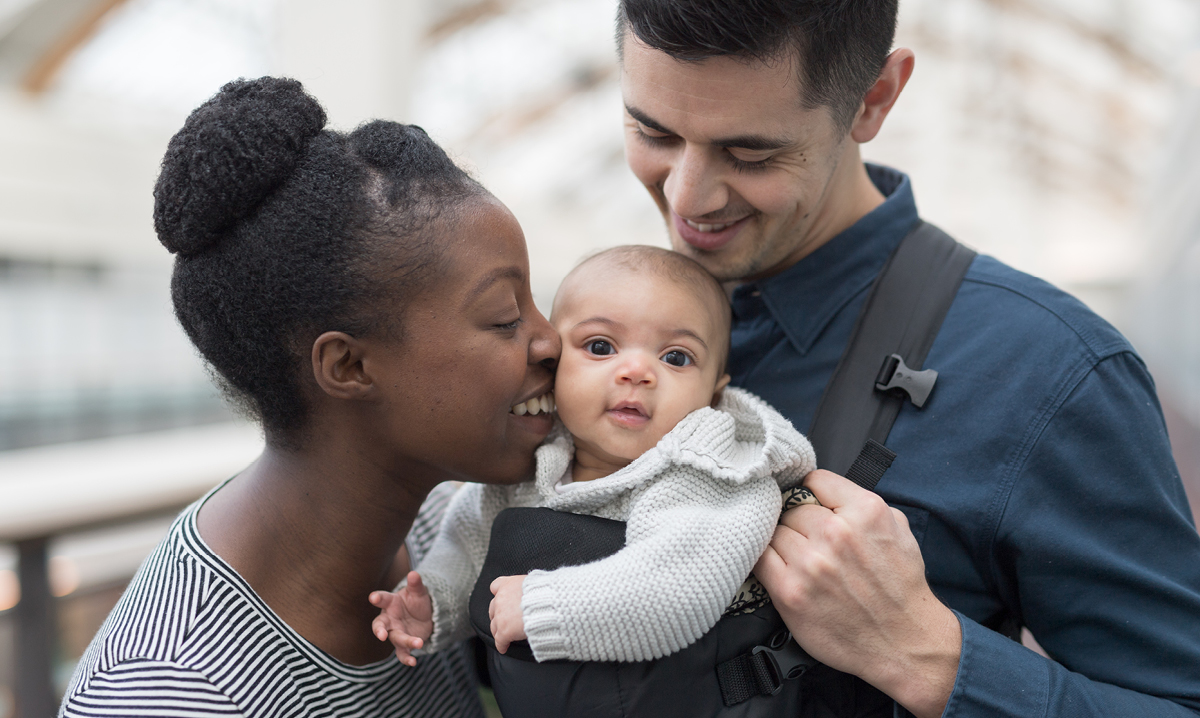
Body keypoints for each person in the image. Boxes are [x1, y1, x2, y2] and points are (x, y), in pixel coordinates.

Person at [614, 1, 1200, 717]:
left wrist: (926, 654)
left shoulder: (1048, 370)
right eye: (652, 131)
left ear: (875, 99)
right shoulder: (600, 321)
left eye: (751, 154)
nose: (687, 195)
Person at [59, 77, 561, 718]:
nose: (551, 342)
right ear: (348, 365)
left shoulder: (449, 533)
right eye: (503, 317)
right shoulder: (173, 694)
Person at [370, 245, 817, 670]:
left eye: (676, 357)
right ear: (554, 361)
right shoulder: (538, 458)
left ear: (713, 393)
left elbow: (678, 592)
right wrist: (434, 602)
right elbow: (467, 542)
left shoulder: (711, 476)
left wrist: (544, 606)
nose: (637, 372)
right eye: (601, 347)